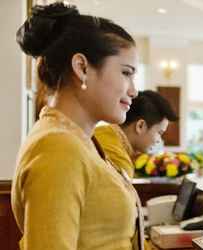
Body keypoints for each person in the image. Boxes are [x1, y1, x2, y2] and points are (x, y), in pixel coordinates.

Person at [11, 3, 143, 250]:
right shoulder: (58, 147)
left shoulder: (79, 139)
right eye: (126, 73)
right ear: (82, 68)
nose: (134, 90)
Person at [94, 90, 178, 177]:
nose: (158, 141)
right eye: (159, 133)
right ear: (140, 126)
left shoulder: (101, 132)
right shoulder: (119, 160)